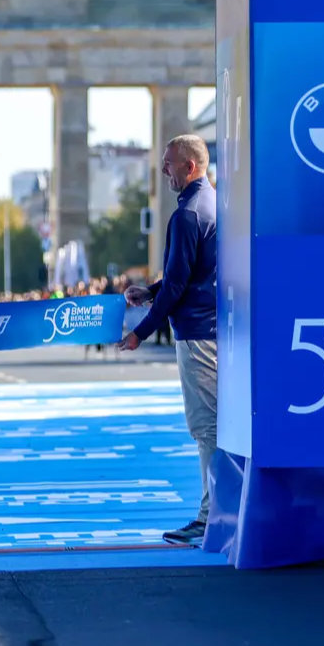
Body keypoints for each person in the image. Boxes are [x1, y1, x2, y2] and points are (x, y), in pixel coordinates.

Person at [120, 134, 219, 547]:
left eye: (169, 164)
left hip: (196, 333)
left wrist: (140, 331)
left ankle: (210, 516)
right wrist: (152, 291)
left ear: (190, 166)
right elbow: (192, 272)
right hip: (217, 327)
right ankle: (221, 510)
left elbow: (179, 283)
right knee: (219, 423)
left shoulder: (186, 215)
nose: (164, 171)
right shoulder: (215, 205)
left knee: (206, 427)